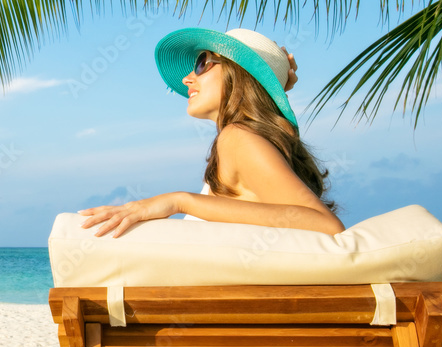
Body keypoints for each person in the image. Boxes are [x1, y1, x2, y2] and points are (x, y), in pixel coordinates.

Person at [80, 28, 345, 237]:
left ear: (238, 74)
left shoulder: (238, 138)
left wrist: (179, 201)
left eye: (202, 63)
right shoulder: (243, 139)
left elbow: (325, 224)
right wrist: (272, 88)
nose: (187, 79)